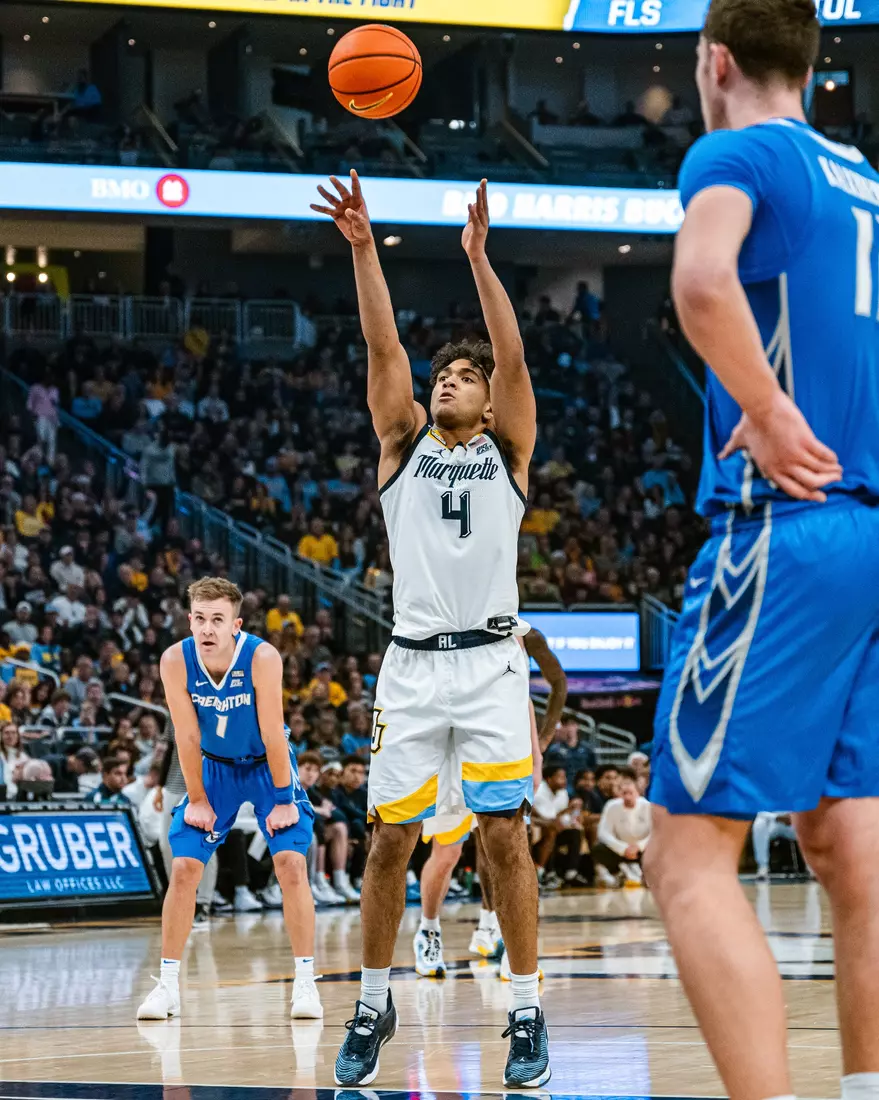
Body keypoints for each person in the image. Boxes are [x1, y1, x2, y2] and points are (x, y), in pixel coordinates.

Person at [643, 2, 879, 1099]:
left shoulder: (732, 149)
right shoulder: (864, 176)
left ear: (716, 60)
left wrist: (769, 404)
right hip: (872, 530)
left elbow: (701, 281)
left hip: (790, 526)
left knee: (685, 857)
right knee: (849, 848)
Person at [314, 173, 548, 1088]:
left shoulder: (509, 449)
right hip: (411, 669)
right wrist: (366, 250)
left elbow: (515, 362)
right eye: (443, 374)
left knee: (501, 839)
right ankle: (373, 1004)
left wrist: (479, 260)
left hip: (491, 664)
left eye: (463, 378)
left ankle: (525, 1015)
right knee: (386, 843)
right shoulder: (400, 449)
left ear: (486, 407)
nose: (448, 382)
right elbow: (382, 345)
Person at [136, 577, 320, 1022]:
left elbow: (275, 731)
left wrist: (281, 798)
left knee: (291, 865)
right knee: (182, 869)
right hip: (213, 768)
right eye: (199, 618)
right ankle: (168, 986)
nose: (207, 629)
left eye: (217, 620)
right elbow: (186, 733)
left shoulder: (262, 657)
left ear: (235, 624)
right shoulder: (175, 661)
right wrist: (196, 798)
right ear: (190, 619)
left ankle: (305, 982)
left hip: (264, 764)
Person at [413, 627, 568, 975]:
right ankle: (429, 930)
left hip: (502, 756)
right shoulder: (449, 627)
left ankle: (501, 938)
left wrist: (539, 746)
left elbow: (542, 690)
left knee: (504, 848)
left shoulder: (523, 634)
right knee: (447, 852)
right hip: (451, 751)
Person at [593, 767, 651, 887]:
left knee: (661, 847)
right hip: (621, 851)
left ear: (638, 793)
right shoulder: (611, 806)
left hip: (643, 850)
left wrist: (639, 846)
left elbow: (656, 833)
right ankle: (618, 872)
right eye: (624, 793)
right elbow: (603, 833)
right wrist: (623, 848)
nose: (627, 797)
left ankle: (648, 873)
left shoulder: (647, 806)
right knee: (598, 849)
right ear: (619, 793)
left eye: (631, 793)